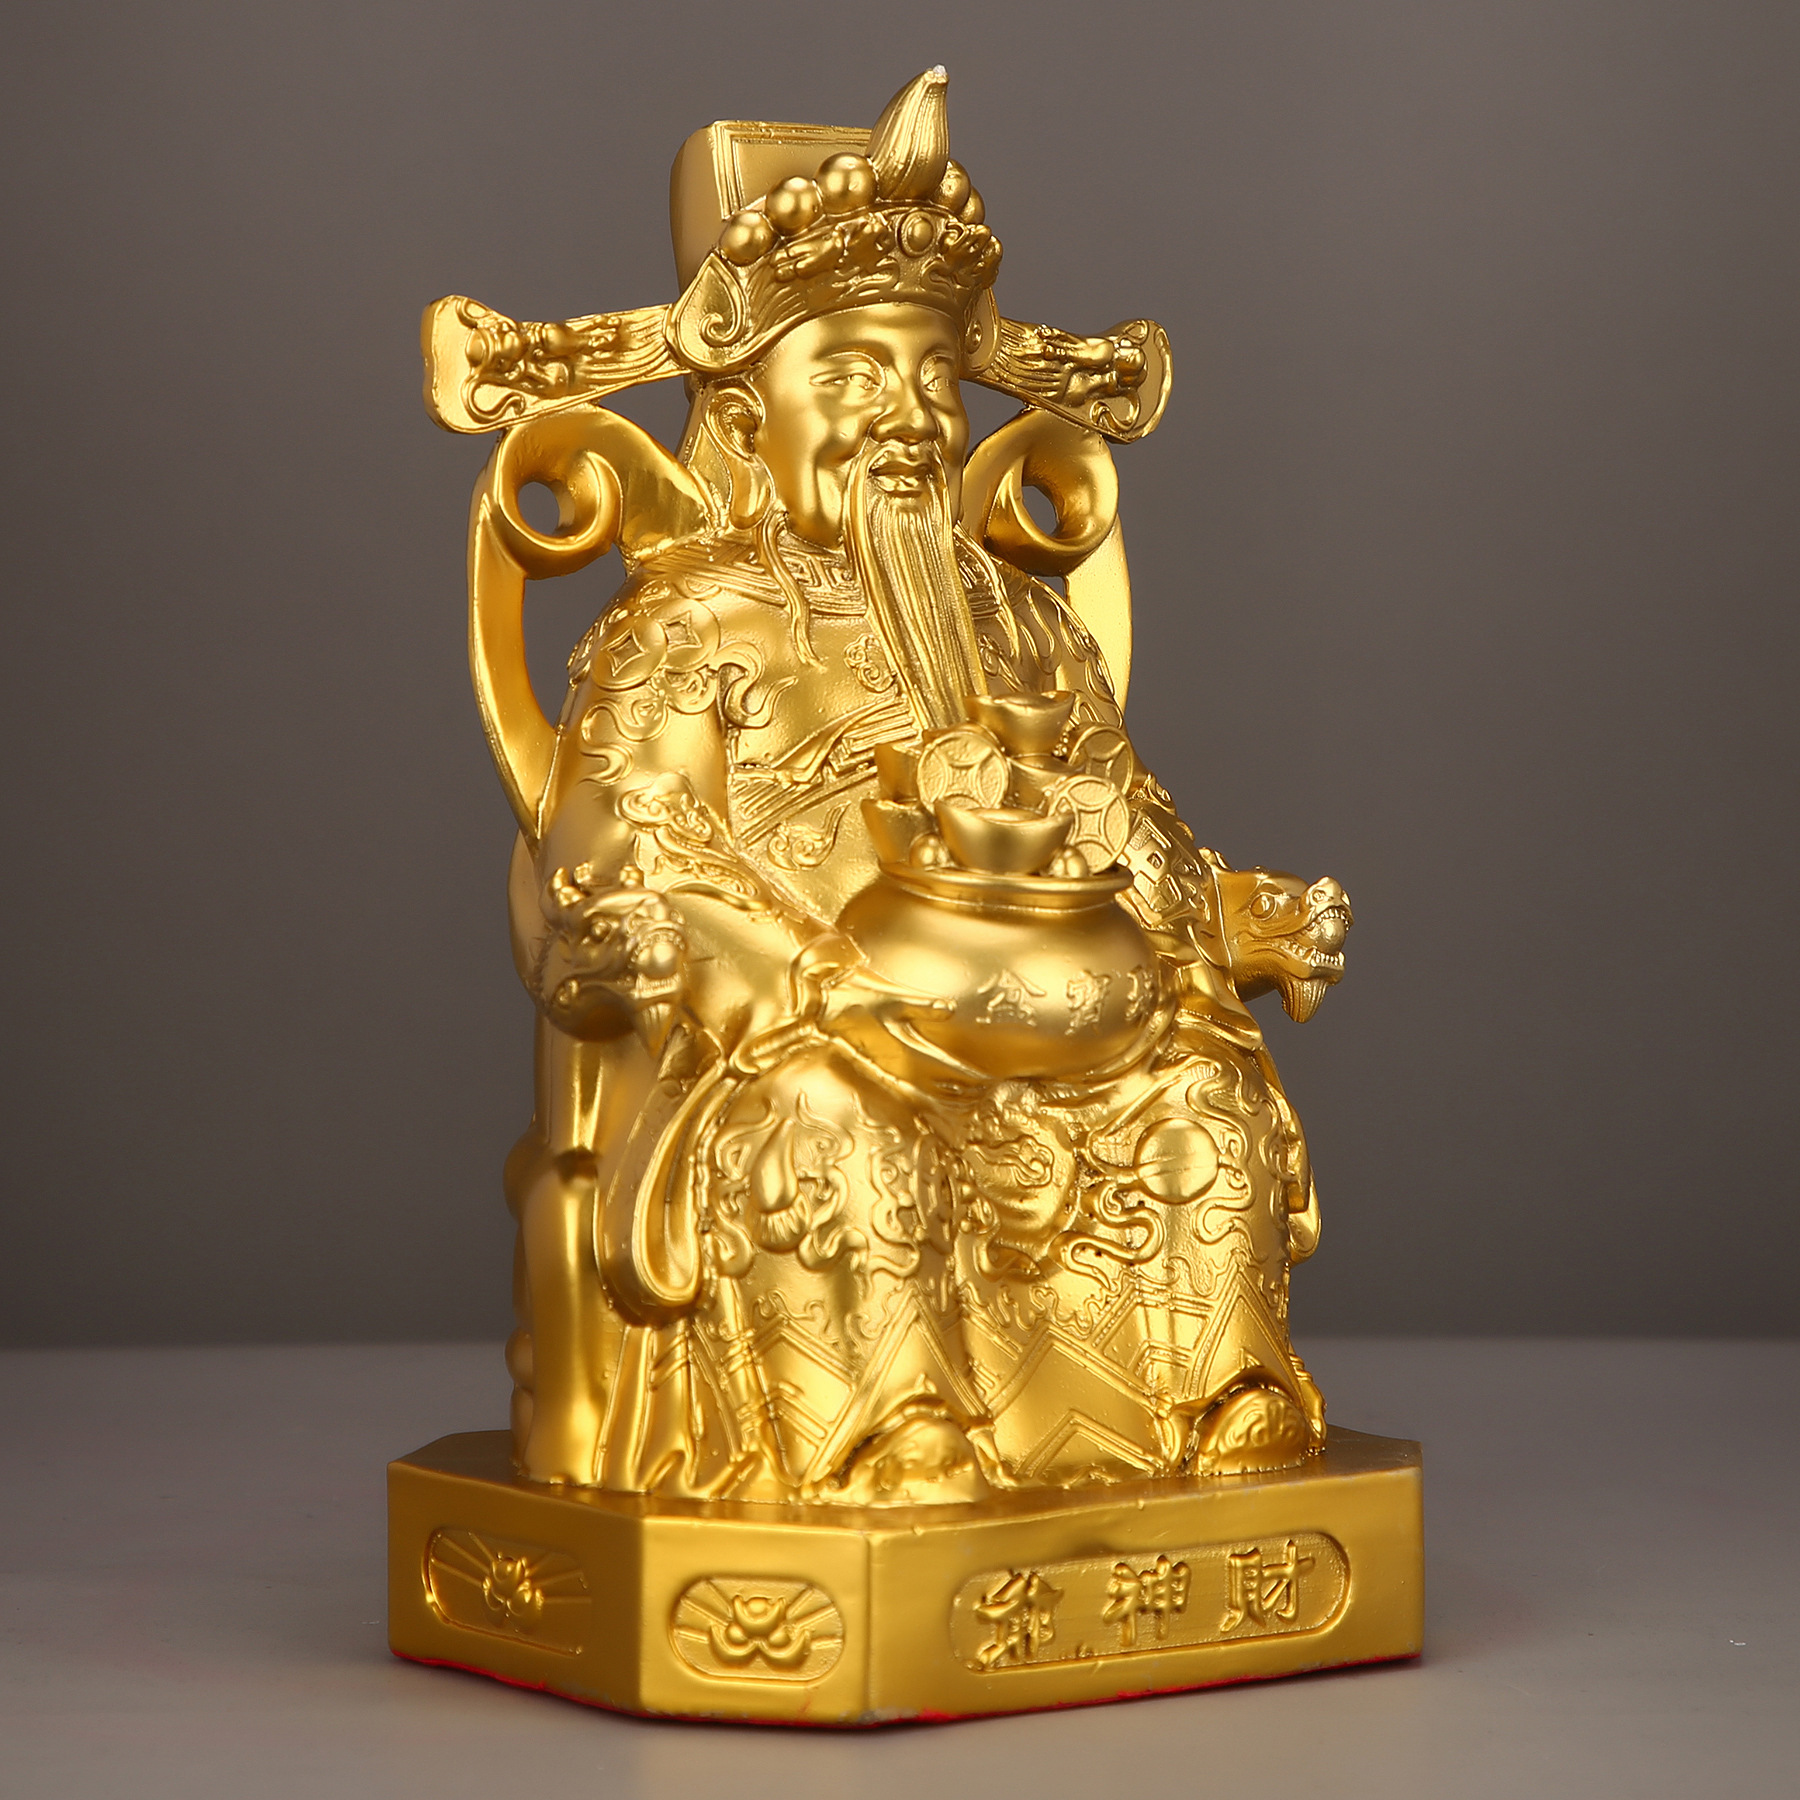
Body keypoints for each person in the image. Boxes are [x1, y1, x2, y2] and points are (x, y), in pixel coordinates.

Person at [495, 72, 1351, 1501]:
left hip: (1052, 1018)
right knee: (831, 1118)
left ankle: (1220, 1402)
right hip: (815, 1024)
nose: (901, 417)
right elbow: (624, 846)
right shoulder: (688, 628)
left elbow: (1126, 817)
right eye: (847, 376)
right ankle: (888, 1432)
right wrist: (792, 969)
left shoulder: (1020, 623)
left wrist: (1226, 915)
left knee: (1200, 1088)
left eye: (928, 378)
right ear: (747, 415)